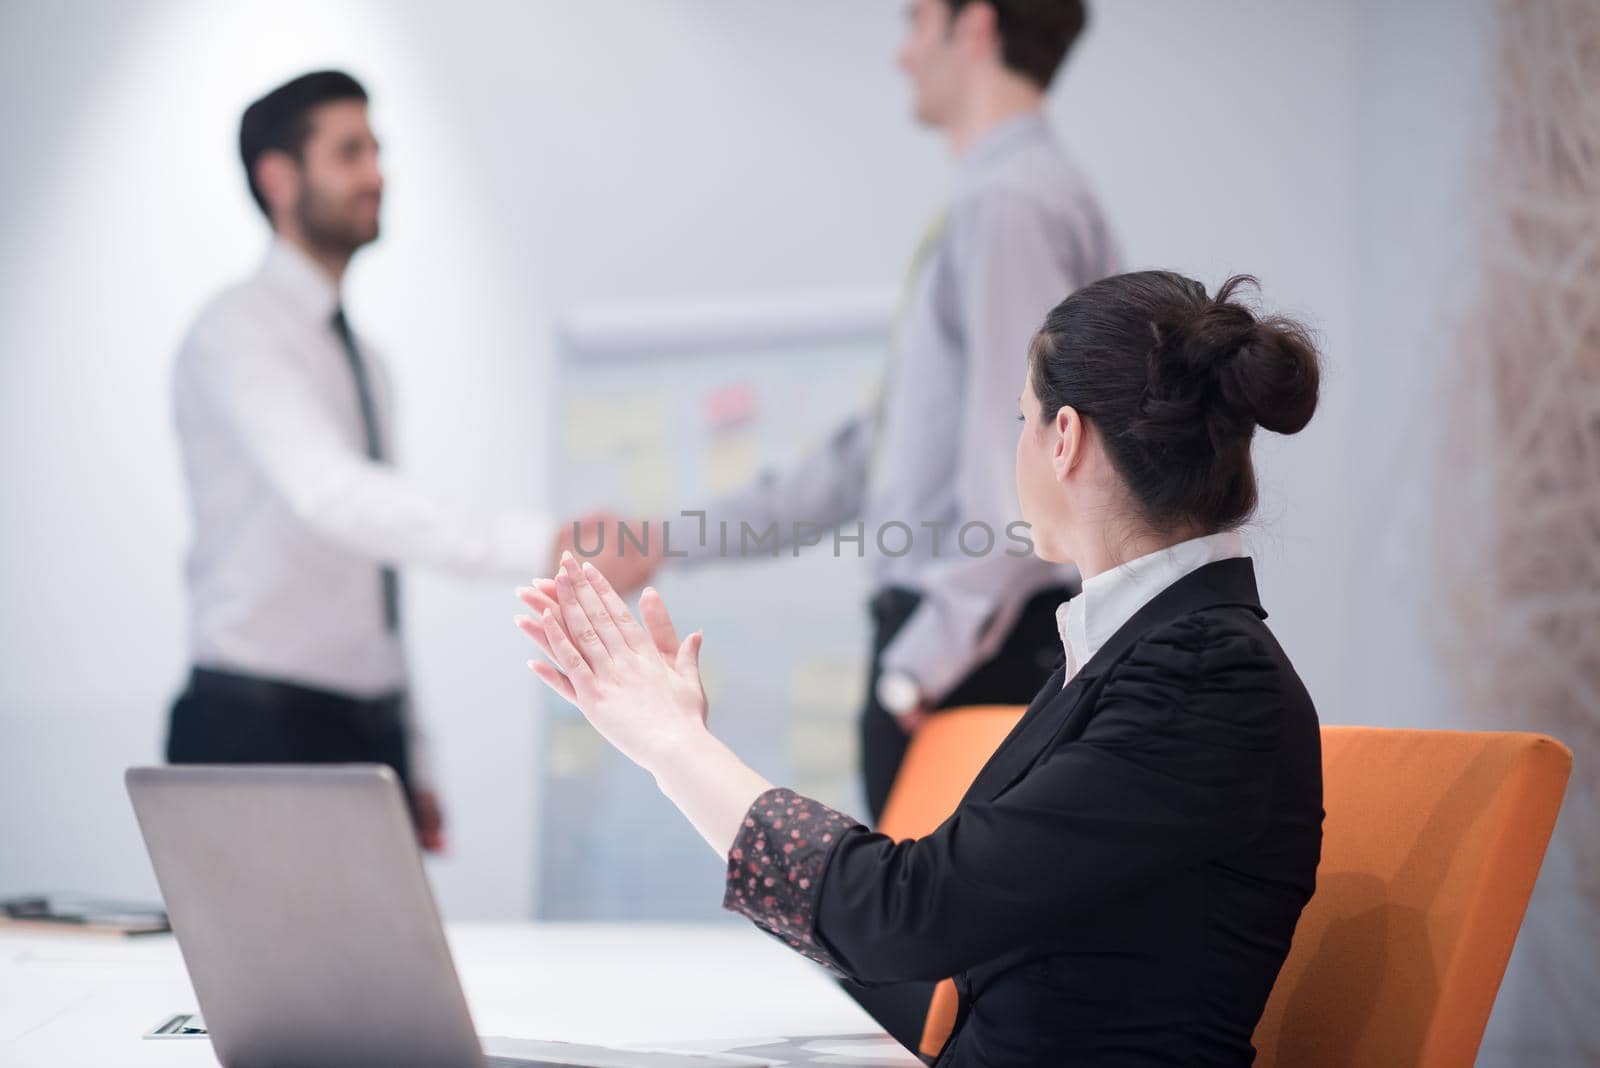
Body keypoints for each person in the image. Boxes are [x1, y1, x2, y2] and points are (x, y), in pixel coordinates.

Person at [517, 271, 1325, 1066]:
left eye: (1020, 419)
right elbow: (949, 955)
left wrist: (675, 748)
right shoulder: (1147, 648)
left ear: (1066, 439)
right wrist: (679, 755)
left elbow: (912, 915)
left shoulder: (1202, 678)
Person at [653, 0, 1119, 828]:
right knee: (910, 944)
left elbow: (1024, 468)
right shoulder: (1006, 197)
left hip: (971, 652)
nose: (901, 55)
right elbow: (873, 454)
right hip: (969, 644)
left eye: (915, 23)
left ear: (974, 25)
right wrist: (666, 541)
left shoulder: (1011, 204)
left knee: (914, 945)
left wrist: (920, 665)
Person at [167, 70, 648, 851]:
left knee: (371, 974)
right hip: (252, 726)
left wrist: (410, 749)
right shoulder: (236, 334)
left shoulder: (369, 363)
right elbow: (333, 496)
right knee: (258, 974)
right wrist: (542, 544)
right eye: (349, 152)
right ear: (279, 179)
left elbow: (373, 577)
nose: (376, 174)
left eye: (377, 150)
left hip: (366, 726)